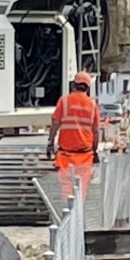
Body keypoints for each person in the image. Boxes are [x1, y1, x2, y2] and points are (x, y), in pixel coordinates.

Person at [47, 72, 101, 203]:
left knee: (66, 187)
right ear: (87, 88)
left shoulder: (64, 101)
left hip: (65, 155)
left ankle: (67, 216)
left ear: (74, 85)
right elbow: (96, 131)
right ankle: (77, 216)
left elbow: (55, 123)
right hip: (85, 155)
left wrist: (50, 142)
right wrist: (95, 150)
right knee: (81, 188)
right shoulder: (92, 105)